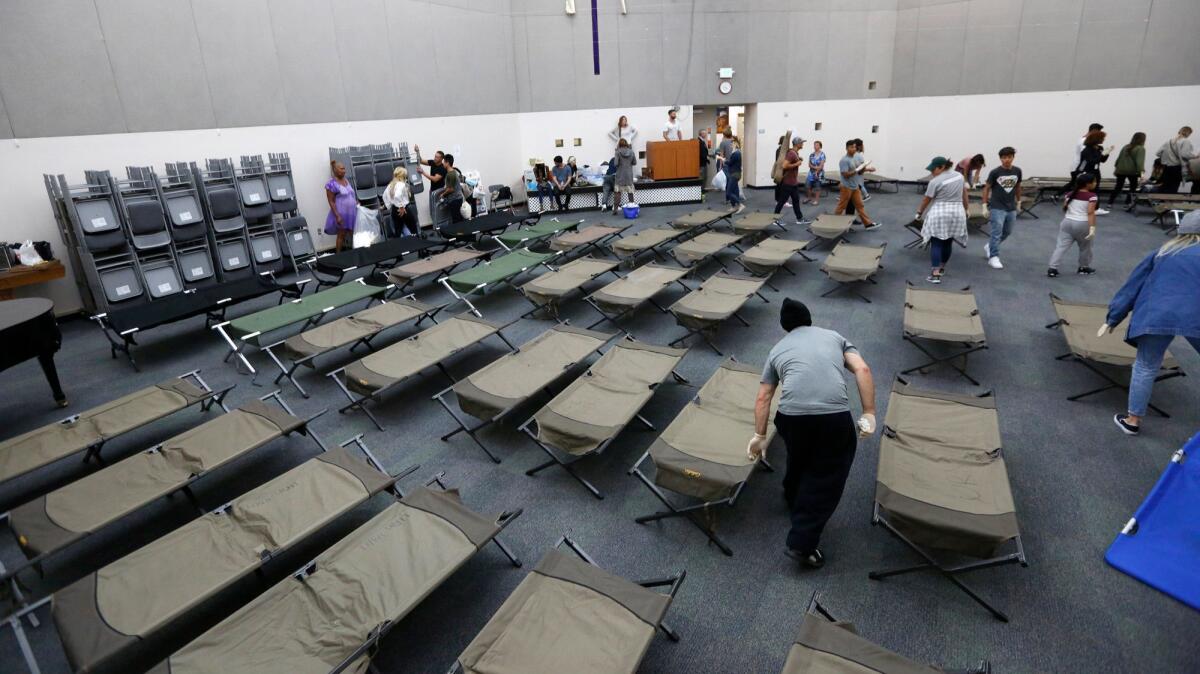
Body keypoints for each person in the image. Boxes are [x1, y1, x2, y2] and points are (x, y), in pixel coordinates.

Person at [749, 298, 877, 569]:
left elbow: (764, 397)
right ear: (809, 319)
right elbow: (862, 369)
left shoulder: (776, 349)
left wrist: (760, 436)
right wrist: (869, 412)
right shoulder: (834, 337)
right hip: (833, 419)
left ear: (785, 327)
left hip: (791, 420)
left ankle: (792, 494)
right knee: (827, 475)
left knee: (800, 455)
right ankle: (802, 544)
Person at [1103, 210, 1200, 435]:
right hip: (1195, 315)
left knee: (1146, 366)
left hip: (1156, 314)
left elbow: (1132, 286)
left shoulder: (1162, 253)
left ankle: (1132, 421)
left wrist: (1114, 317)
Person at [914, 156, 968, 284]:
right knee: (948, 241)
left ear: (942, 167)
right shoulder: (959, 176)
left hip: (940, 213)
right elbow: (964, 194)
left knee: (936, 242)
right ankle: (942, 268)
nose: (932, 173)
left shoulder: (935, 182)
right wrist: (967, 209)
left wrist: (919, 213)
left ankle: (935, 274)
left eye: (933, 170)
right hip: (957, 212)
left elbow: (926, 200)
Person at [1048, 173, 1099, 278]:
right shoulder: (1092, 197)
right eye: (1094, 181)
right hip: (1082, 223)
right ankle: (1083, 267)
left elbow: (1064, 208)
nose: (1095, 183)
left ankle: (1052, 268)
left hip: (1067, 222)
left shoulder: (1069, 194)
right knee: (1085, 247)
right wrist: (1092, 228)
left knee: (1061, 246)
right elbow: (1090, 212)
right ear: (1087, 184)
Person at [982, 147, 1022, 269]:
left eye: (1009, 157)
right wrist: (984, 205)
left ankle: (990, 246)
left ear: (1013, 157)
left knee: (1007, 231)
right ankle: (994, 257)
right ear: (1000, 158)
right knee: (996, 232)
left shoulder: (1017, 171)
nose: (1006, 160)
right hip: (997, 206)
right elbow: (987, 188)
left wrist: (1019, 201)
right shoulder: (995, 172)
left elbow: (1018, 186)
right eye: (1004, 157)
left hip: (1011, 207)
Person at [834, 139, 879, 229]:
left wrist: (863, 167)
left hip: (855, 187)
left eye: (854, 147)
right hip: (846, 187)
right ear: (847, 148)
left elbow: (860, 173)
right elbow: (845, 174)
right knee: (841, 206)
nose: (854, 149)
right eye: (851, 147)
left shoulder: (855, 158)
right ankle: (833, 223)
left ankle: (868, 224)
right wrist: (856, 170)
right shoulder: (844, 160)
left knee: (860, 206)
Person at [1074, 130, 1113, 215]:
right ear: (1097, 139)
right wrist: (1101, 155)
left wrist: (1107, 152)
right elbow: (1091, 161)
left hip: (1096, 172)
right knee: (1090, 190)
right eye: (1102, 138)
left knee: (1095, 190)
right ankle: (1093, 208)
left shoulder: (1099, 148)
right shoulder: (1087, 150)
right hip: (1088, 172)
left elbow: (1102, 160)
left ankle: (1095, 208)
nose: (1103, 140)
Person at [324, 160, 357, 252]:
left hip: (351, 212)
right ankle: (338, 256)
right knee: (341, 234)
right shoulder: (331, 183)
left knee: (354, 233)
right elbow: (331, 201)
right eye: (341, 169)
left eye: (344, 168)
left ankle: (358, 254)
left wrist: (355, 202)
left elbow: (350, 195)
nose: (344, 170)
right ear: (335, 170)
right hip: (341, 213)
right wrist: (337, 215)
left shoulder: (346, 180)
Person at [1109, 133, 1146, 208]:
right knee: (1133, 187)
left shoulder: (1126, 146)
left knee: (1118, 186)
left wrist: (1116, 168)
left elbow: (1118, 159)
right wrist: (1142, 173)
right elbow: (1140, 163)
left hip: (1121, 170)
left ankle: (1110, 203)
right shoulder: (1141, 148)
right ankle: (1127, 203)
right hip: (1132, 171)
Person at [774, 137, 806, 224]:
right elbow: (784, 166)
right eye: (802, 142)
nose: (803, 144)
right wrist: (797, 163)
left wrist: (798, 160)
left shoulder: (795, 153)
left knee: (796, 200)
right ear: (797, 144)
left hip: (793, 182)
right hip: (788, 183)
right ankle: (775, 219)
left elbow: (790, 163)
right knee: (781, 202)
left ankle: (799, 219)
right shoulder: (791, 153)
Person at [415, 146, 448, 228]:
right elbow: (421, 160)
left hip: (439, 192)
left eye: (437, 157)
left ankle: (440, 228)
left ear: (441, 159)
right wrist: (417, 151)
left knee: (437, 211)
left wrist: (423, 172)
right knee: (432, 211)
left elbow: (435, 179)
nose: (435, 158)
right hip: (432, 191)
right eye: (435, 156)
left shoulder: (442, 168)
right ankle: (436, 227)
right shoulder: (433, 162)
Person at [1154, 126, 1194, 194]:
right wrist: (1195, 156)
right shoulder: (1186, 141)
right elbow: (1184, 155)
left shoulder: (1168, 141)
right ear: (1188, 133)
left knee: (1165, 188)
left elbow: (1157, 153)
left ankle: (1162, 203)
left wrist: (1167, 158)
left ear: (1179, 131)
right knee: (1173, 189)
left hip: (1166, 168)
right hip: (1177, 169)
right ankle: (1169, 204)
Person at [382, 166, 417, 237]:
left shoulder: (390, 185)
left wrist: (389, 206)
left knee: (398, 230)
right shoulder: (401, 184)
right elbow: (397, 195)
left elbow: (384, 196)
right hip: (404, 210)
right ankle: (417, 244)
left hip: (394, 209)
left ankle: (400, 246)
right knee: (413, 228)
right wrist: (401, 207)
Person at [438, 154, 465, 224]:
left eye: (444, 162)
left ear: (447, 163)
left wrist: (443, 194)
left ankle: (460, 233)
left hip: (455, 199)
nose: (443, 163)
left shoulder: (451, 174)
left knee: (457, 220)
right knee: (458, 218)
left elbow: (451, 189)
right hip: (456, 199)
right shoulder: (452, 172)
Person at [613, 138, 637, 213]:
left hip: (620, 175)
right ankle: (632, 209)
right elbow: (634, 162)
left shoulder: (617, 152)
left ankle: (615, 209)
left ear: (619, 144)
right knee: (630, 192)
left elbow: (615, 164)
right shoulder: (631, 151)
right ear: (626, 143)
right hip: (629, 175)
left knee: (618, 193)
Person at [723, 137, 745, 213]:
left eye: (732, 144)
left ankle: (740, 204)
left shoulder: (736, 153)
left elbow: (730, 163)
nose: (731, 145)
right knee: (735, 191)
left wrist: (723, 160)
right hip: (735, 174)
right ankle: (734, 206)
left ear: (735, 144)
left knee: (729, 192)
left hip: (734, 174)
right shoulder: (736, 152)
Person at [805, 141, 826, 206]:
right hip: (811, 173)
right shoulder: (811, 155)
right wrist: (815, 167)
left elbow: (821, 165)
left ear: (820, 146)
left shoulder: (822, 154)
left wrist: (817, 171)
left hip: (819, 173)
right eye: (814, 145)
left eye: (817, 145)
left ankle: (816, 200)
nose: (815, 146)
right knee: (808, 185)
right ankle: (809, 197)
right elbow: (809, 164)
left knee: (818, 186)